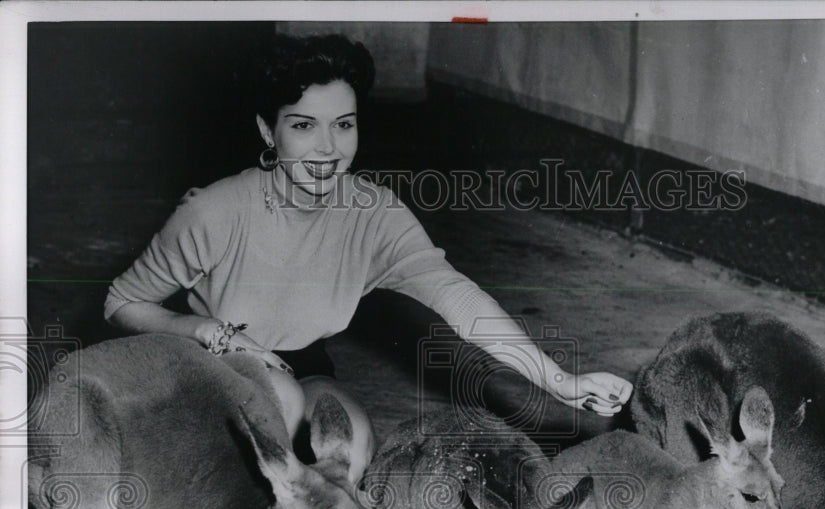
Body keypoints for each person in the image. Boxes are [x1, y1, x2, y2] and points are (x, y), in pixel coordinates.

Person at [104, 33, 632, 448]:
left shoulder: (373, 213)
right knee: (280, 404)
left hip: (301, 364)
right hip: (203, 364)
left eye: (344, 125)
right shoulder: (214, 210)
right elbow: (121, 302)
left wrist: (558, 379)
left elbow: (457, 296)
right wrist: (207, 331)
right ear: (269, 132)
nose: (328, 148)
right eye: (304, 125)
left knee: (350, 442)